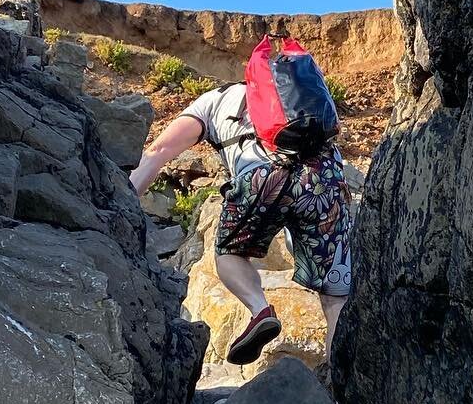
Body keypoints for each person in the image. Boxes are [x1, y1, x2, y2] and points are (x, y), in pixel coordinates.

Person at [129, 79, 352, 366]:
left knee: (229, 254)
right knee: (335, 298)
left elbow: (160, 151)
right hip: (325, 179)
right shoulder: (303, 98)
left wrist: (122, 200)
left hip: (264, 178)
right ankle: (341, 400)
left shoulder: (210, 101)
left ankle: (260, 311)